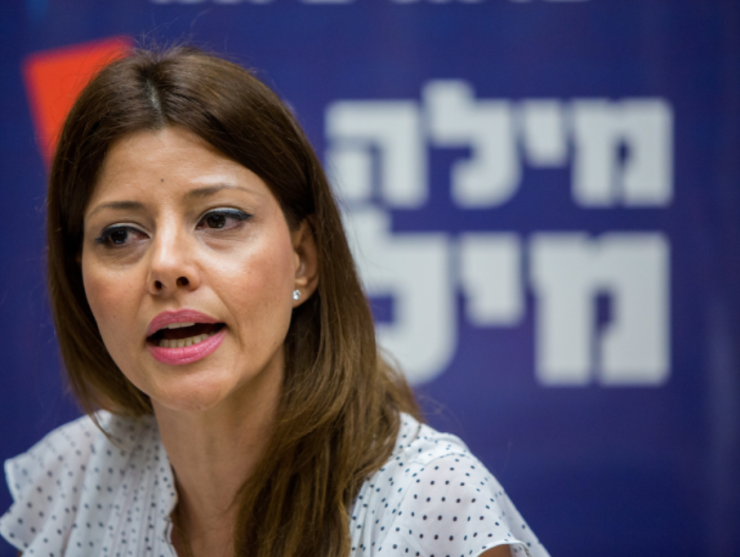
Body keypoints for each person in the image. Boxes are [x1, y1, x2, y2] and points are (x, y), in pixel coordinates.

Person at [0, 46, 550, 557]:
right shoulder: (71, 479)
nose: (166, 267)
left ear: (303, 260)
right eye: (120, 234)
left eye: (219, 220)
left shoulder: (431, 500)